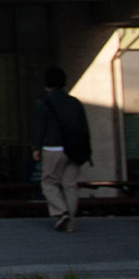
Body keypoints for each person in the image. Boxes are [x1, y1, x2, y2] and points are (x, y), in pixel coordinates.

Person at [32, 67, 92, 233]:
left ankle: (61, 211)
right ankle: (70, 223)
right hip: (75, 149)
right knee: (70, 185)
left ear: (47, 83)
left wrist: (36, 147)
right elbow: (84, 127)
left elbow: (40, 127)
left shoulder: (44, 102)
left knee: (48, 182)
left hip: (53, 147)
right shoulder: (75, 102)